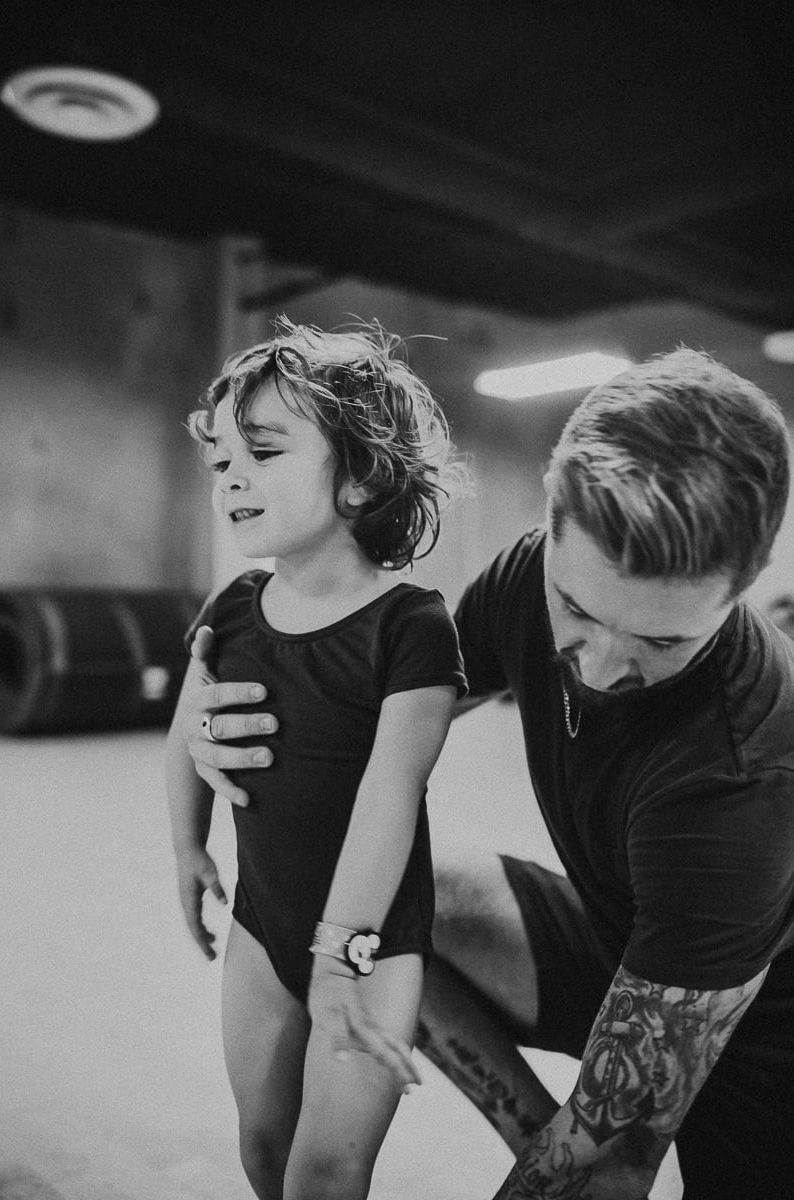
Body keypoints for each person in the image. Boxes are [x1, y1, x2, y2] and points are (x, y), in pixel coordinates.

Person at [181, 347, 794, 1199]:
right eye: (578, 610)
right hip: (623, 930)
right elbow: (382, 732)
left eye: (661, 643)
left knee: (609, 1156)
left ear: (744, 589)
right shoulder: (521, 578)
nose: (604, 667)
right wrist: (230, 734)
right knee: (394, 901)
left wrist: (595, 1147)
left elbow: (614, 1160)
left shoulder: (741, 784)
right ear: (553, 524)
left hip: (767, 1036)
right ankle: (539, 1134)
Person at [165, 318, 468, 1200]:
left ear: (362, 476)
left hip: (372, 941)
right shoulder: (235, 605)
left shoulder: (410, 624)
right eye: (222, 462)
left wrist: (340, 952)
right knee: (262, 1147)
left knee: (326, 1172)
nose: (232, 479)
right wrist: (187, 847)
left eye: (262, 452)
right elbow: (186, 730)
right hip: (262, 926)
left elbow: (391, 791)